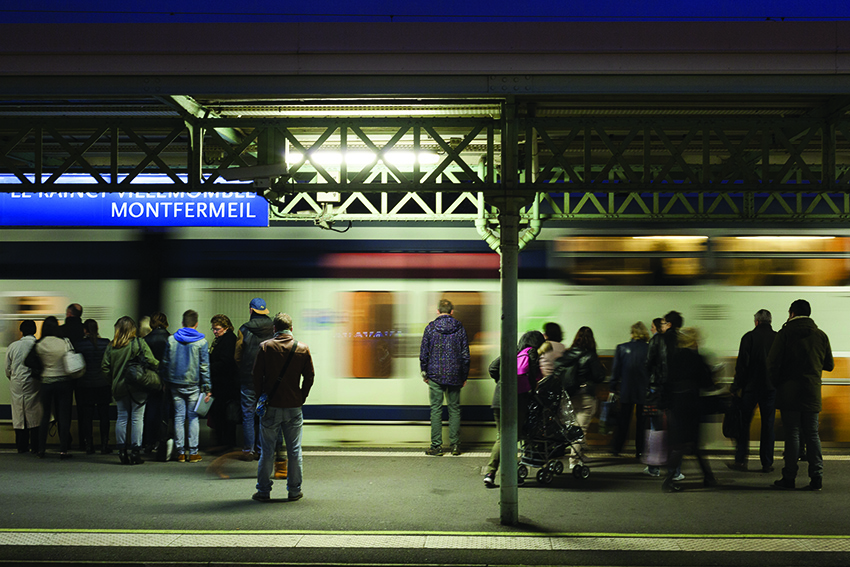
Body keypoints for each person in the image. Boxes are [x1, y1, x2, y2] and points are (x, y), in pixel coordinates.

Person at [768, 299, 833, 491]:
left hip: (789, 393)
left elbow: (772, 363)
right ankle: (816, 478)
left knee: (793, 435)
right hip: (812, 392)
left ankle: (789, 478)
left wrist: (777, 384)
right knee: (812, 435)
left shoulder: (784, 334)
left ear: (791, 314)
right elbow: (829, 364)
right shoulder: (821, 336)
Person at [252, 312, 314, 502]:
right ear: (291, 329)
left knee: (267, 451)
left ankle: (263, 491)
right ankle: (294, 491)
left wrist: (261, 397)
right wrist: (301, 396)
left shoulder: (265, 347)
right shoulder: (303, 349)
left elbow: (256, 377)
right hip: (293, 407)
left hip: (271, 407)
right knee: (294, 451)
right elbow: (310, 377)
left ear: (274, 329)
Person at [483, 331, 545, 487]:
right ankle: (501, 474)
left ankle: (492, 473)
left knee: (502, 437)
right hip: (517, 400)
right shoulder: (531, 352)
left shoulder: (512, 352)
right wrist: (531, 388)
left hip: (499, 398)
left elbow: (492, 368)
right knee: (509, 438)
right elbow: (531, 376)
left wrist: (502, 382)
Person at [662, 327, 718, 493]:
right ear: (693, 341)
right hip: (692, 404)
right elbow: (707, 383)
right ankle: (672, 479)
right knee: (693, 442)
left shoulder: (672, 357)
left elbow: (666, 382)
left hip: (676, 405)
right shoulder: (696, 358)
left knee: (681, 443)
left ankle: (708, 477)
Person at [102, 316, 159, 465]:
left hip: (119, 388)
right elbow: (152, 361)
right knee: (137, 418)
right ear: (133, 329)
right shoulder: (139, 343)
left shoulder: (111, 346)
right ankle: (135, 452)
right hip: (138, 387)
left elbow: (105, 367)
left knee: (121, 417)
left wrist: (113, 380)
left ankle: (121, 451)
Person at [420, 299, 470, 456]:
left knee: (436, 410)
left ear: (437, 311)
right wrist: (464, 375)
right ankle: (455, 446)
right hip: (455, 375)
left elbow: (423, 354)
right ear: (452, 312)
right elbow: (465, 355)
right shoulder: (459, 328)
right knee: (454, 409)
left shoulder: (430, 328)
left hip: (434, 375)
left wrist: (424, 372)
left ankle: (436, 446)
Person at [730, 309, 777, 473]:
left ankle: (741, 460)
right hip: (771, 388)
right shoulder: (777, 338)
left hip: (751, 388)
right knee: (768, 425)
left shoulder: (748, 337)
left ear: (756, 321)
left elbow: (742, 365)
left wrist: (736, 387)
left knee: (744, 424)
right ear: (769, 321)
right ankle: (767, 463)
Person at [162, 309, 211, 463]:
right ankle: (193, 452)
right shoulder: (202, 342)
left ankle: (180, 452)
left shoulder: (171, 340)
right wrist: (207, 387)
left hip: (175, 385)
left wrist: (165, 381)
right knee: (193, 417)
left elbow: (165, 363)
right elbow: (204, 366)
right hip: (194, 385)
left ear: (182, 323)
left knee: (178, 417)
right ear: (196, 324)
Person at [555, 326, 606, 468]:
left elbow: (557, 368)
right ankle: (574, 461)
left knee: (573, 427)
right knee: (580, 430)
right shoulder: (590, 355)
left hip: (570, 395)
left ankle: (579, 454)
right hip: (585, 397)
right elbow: (599, 376)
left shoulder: (568, 354)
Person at [643, 311, 683, 478]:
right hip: (678, 391)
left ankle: (654, 467)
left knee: (656, 428)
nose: (662, 324)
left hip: (657, 389)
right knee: (676, 429)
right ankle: (675, 472)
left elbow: (648, 364)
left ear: (669, 324)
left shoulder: (657, 340)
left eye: (664, 322)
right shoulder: (685, 341)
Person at [236, 298, 274, 459]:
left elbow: (237, 355)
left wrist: (243, 368)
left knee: (248, 414)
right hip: (268, 379)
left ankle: (248, 450)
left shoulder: (243, 329)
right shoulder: (274, 328)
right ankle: (261, 449)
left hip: (248, 379)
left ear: (251, 310)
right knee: (265, 415)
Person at [35, 316, 77, 459]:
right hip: (64, 383)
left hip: (46, 382)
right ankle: (63, 450)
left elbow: (29, 360)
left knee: (45, 415)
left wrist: (41, 370)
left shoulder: (40, 344)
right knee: (63, 417)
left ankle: (41, 449)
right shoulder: (64, 342)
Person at [610, 322, 651, 458]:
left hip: (626, 389)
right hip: (644, 391)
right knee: (642, 422)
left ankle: (617, 448)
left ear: (632, 333)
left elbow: (615, 371)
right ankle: (640, 450)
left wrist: (612, 386)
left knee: (623, 420)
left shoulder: (621, 348)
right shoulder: (649, 348)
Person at [73, 319, 111, 454]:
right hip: (103, 384)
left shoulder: (79, 345)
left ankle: (89, 445)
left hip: (85, 385)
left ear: (85, 330)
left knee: (87, 417)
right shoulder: (106, 343)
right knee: (104, 416)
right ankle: (105, 445)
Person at [5, 320, 42, 454]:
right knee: (34, 413)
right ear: (35, 331)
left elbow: (7, 369)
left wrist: (14, 378)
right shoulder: (37, 345)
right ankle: (36, 446)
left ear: (21, 331)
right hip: (33, 383)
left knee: (19, 413)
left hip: (16, 383)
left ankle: (21, 446)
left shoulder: (13, 346)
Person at [209, 314, 240, 452]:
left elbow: (225, 363)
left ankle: (225, 443)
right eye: (213, 329)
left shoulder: (228, 341)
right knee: (223, 415)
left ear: (226, 327)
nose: (215, 332)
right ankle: (224, 442)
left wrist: (209, 367)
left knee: (224, 416)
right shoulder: (224, 339)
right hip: (224, 384)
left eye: (217, 329)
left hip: (225, 385)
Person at [143, 312, 171, 456]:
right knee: (164, 412)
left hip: (150, 381)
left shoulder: (145, 340)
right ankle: (162, 442)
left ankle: (149, 442)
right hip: (166, 381)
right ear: (166, 322)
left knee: (151, 411)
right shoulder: (170, 339)